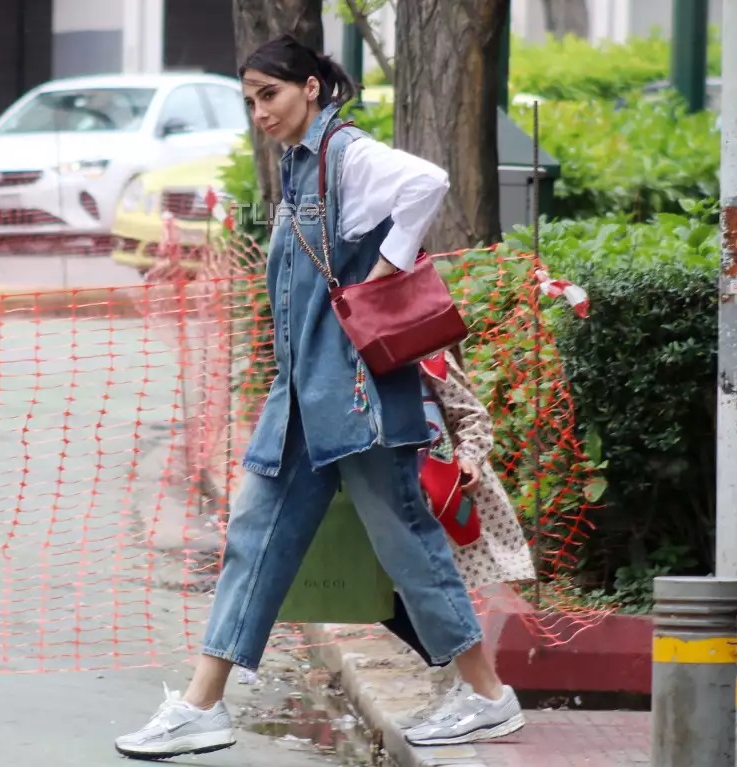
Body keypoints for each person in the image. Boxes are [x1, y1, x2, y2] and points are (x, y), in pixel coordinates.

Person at [114, 34, 525, 760]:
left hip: (360, 397)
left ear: (311, 87)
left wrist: (386, 272)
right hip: (306, 399)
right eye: (250, 100)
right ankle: (202, 706)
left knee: (407, 543)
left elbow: (428, 181)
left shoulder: (347, 154)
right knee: (253, 541)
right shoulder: (301, 161)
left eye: (269, 95)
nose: (260, 112)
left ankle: (489, 697)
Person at [380, 346, 536, 739]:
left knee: (427, 586)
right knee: (379, 591)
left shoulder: (425, 355)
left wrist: (469, 456)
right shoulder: (353, 359)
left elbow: (471, 415)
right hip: (386, 495)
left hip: (440, 493)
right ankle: (458, 680)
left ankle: (471, 689)